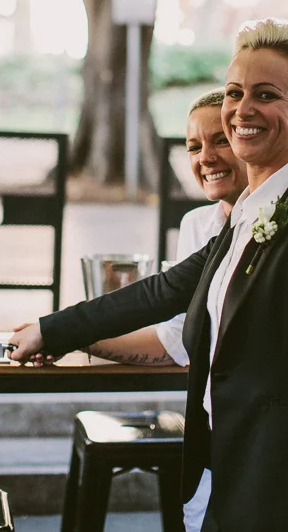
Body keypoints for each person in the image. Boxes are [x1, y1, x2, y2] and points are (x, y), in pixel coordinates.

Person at [10, 19, 288, 532]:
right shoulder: (245, 213)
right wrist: (51, 330)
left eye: (266, 94)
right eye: (235, 92)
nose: (243, 109)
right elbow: (162, 291)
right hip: (227, 474)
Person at [81, 88, 247, 372]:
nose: (205, 158)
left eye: (222, 141)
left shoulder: (287, 217)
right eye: (194, 148)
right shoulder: (195, 224)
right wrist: (74, 338)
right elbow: (177, 341)